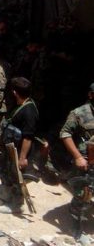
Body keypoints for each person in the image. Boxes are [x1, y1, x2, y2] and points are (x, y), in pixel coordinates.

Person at [0, 77, 39, 214]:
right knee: (9, 174)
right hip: (13, 148)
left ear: (15, 92)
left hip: (20, 151)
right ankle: (8, 196)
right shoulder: (21, 104)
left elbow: (28, 137)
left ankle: (16, 205)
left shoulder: (29, 111)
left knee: (17, 178)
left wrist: (22, 158)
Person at [59, 83, 94, 238]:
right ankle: (76, 225)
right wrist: (78, 157)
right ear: (91, 95)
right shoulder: (79, 113)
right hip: (86, 161)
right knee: (83, 193)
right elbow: (65, 133)